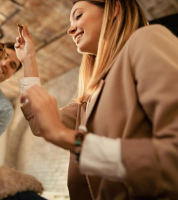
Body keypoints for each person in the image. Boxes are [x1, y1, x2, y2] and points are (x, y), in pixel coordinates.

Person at [15, 0, 178, 199]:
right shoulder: (88, 102)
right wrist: (29, 58)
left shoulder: (148, 39)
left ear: (114, 9)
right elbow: (39, 123)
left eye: (78, 15)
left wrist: (65, 137)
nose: (69, 29)